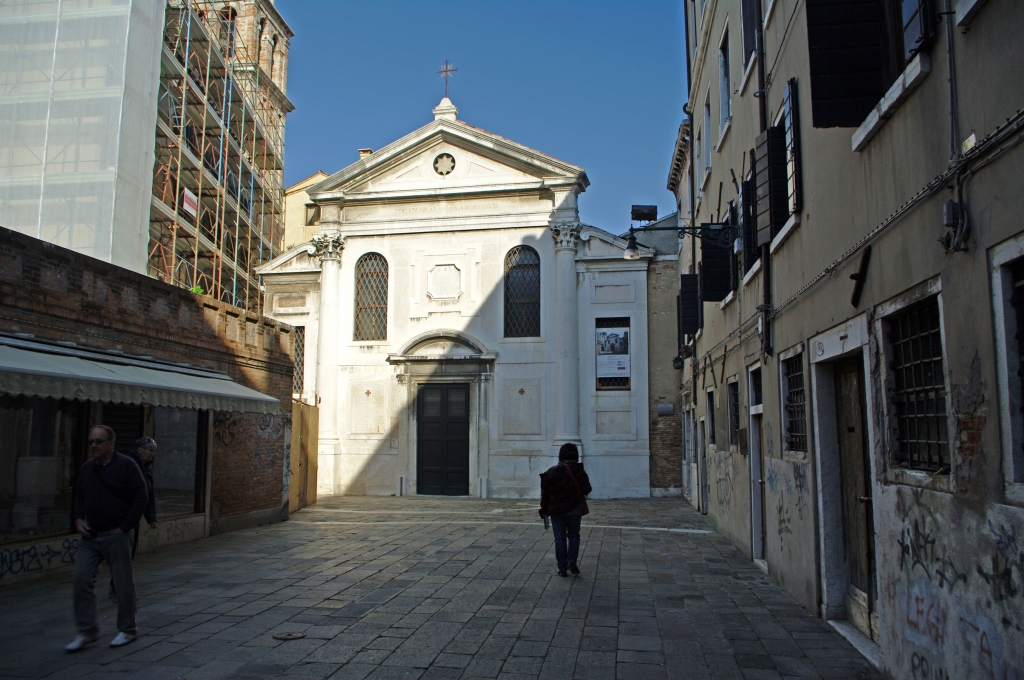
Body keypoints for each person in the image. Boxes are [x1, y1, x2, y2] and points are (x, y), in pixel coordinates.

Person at [65, 425, 148, 652]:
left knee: (122, 583)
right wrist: (78, 519)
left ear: (111, 443)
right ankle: (87, 631)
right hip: (91, 535)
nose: (94, 446)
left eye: (99, 441)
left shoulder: (126, 465)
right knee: (80, 579)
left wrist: (125, 527)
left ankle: (127, 629)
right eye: (91, 442)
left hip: (116, 534)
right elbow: (80, 496)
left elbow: (141, 496)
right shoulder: (87, 468)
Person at [539, 443, 592, 577]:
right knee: (574, 535)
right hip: (574, 509)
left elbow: (545, 494)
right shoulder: (579, 471)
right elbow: (587, 489)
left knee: (560, 538)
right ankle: (571, 561)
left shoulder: (551, 472)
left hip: (556, 510)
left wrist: (543, 510)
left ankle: (562, 568)